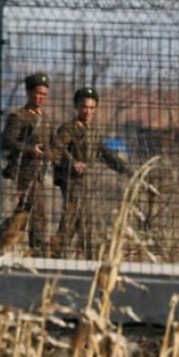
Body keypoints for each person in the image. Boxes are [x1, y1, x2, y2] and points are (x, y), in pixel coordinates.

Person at [51, 87, 131, 258]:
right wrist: (72, 163)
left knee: (81, 223)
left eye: (92, 108)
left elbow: (105, 154)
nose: (88, 111)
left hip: (85, 184)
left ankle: (83, 259)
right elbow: (57, 149)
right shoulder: (68, 129)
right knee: (73, 221)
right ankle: (55, 256)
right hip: (71, 182)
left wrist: (126, 170)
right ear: (77, 107)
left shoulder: (93, 132)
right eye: (84, 107)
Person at [0, 72, 54, 254]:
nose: (41, 98)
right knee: (38, 210)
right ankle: (37, 249)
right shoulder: (19, 116)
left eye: (44, 95)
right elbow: (7, 141)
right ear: (29, 93)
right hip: (23, 170)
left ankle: (1, 235)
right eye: (38, 94)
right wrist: (30, 149)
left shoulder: (45, 119)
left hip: (38, 172)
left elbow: (51, 143)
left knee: (25, 209)